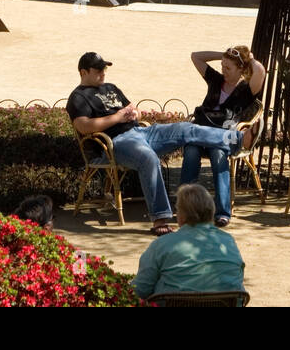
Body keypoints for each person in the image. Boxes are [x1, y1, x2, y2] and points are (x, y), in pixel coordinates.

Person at [66, 52, 244, 236]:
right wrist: (117, 117)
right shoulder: (78, 97)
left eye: (104, 69)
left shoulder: (110, 87)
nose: (103, 73)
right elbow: (84, 126)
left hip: (141, 132)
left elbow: (136, 111)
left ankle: (236, 139)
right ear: (83, 72)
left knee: (186, 128)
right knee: (148, 158)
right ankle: (160, 218)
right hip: (115, 143)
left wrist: (134, 113)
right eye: (98, 70)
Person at [183, 46, 266, 227]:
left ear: (241, 70)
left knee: (218, 154)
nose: (224, 71)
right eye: (222, 66)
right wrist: (223, 56)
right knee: (190, 152)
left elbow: (260, 71)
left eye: (228, 68)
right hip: (201, 130)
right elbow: (195, 55)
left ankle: (222, 212)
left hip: (223, 136)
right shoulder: (216, 80)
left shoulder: (246, 90)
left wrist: (249, 59)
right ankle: (185, 209)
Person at [132, 184, 245, 301]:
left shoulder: (162, 244)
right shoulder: (228, 242)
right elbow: (238, 284)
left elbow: (140, 289)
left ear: (182, 216)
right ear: (212, 211)